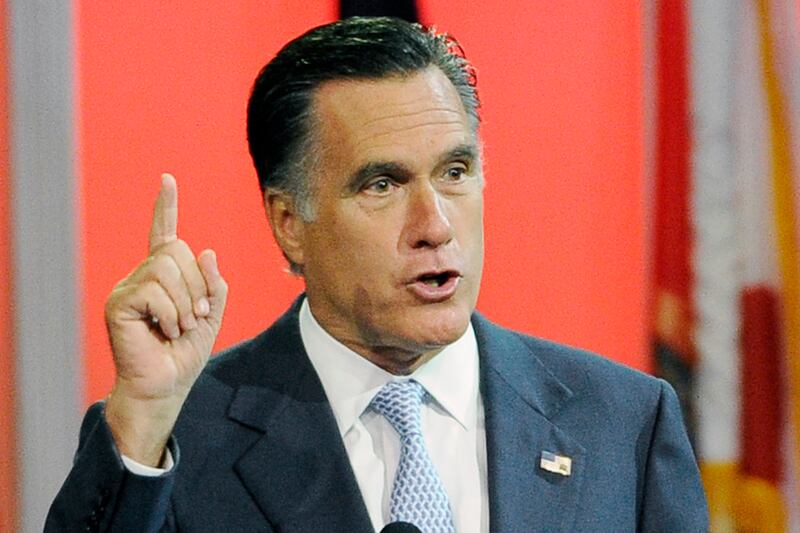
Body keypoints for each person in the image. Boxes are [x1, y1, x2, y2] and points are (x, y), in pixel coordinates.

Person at [46, 16, 708, 532]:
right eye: (382, 184)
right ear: (289, 222)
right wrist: (143, 419)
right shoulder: (179, 437)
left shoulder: (623, 423)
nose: (435, 225)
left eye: (455, 172)